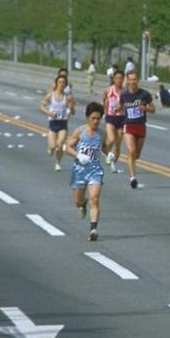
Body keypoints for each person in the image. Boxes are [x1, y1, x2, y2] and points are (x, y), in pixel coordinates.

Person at [66, 102, 107, 241]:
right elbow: (68, 147)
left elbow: (105, 149)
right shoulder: (80, 131)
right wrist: (78, 155)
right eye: (93, 118)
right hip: (79, 170)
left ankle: (93, 229)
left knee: (95, 198)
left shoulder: (102, 133)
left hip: (95, 169)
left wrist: (110, 155)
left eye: (98, 119)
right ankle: (82, 204)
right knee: (78, 201)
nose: (95, 121)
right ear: (87, 117)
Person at [117, 71, 155, 189]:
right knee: (132, 151)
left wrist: (145, 108)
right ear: (127, 81)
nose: (133, 82)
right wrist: (117, 109)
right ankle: (133, 177)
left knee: (136, 155)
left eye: (135, 79)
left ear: (137, 80)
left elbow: (153, 109)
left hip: (141, 126)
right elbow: (120, 106)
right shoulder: (124, 95)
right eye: (131, 79)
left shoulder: (145, 94)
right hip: (128, 125)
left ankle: (131, 161)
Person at [40, 74, 76, 171]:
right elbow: (42, 107)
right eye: (59, 82)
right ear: (56, 84)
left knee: (60, 144)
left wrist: (72, 108)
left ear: (65, 85)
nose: (61, 84)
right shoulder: (50, 96)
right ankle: (51, 149)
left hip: (63, 124)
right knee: (52, 146)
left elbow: (73, 112)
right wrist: (49, 113)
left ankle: (57, 163)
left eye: (63, 83)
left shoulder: (68, 97)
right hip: (53, 124)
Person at [102, 69, 125, 173]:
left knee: (118, 145)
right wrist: (104, 111)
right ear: (113, 79)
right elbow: (103, 100)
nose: (119, 80)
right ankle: (107, 152)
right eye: (117, 78)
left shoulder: (126, 92)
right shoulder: (108, 90)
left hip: (122, 118)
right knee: (111, 139)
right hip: (111, 117)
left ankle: (113, 162)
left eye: (121, 78)